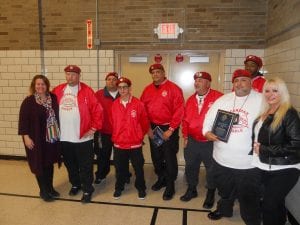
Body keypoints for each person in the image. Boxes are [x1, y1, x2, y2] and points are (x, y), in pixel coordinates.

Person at [203, 69, 262, 225]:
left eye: (243, 80)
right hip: (222, 159)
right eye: (236, 81)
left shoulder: (262, 100)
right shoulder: (223, 100)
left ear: (251, 82)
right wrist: (207, 132)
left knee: (248, 195)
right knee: (224, 190)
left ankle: (251, 220)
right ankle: (224, 209)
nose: (239, 84)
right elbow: (208, 120)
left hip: (248, 163)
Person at [252, 77, 300, 225]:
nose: (270, 94)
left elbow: (296, 144)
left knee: (269, 205)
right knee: (275, 204)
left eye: (275, 91)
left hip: (284, 168)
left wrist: (264, 150)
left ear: (282, 93)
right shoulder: (265, 111)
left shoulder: (289, 113)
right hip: (265, 165)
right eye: (267, 90)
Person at [52, 65, 103, 203]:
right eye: (68, 74)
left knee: (85, 165)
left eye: (73, 74)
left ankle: (87, 189)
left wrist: (93, 128)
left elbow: (98, 111)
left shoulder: (87, 91)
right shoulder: (58, 90)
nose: (70, 77)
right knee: (70, 164)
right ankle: (75, 184)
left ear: (79, 76)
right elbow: (47, 105)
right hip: (64, 138)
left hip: (83, 138)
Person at [140, 63, 184, 200]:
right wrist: (148, 129)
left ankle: (170, 185)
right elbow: (143, 111)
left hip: (168, 128)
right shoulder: (147, 90)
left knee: (169, 158)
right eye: (153, 73)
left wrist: (171, 130)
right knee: (156, 157)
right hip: (154, 129)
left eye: (158, 72)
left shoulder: (174, 89)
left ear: (164, 73)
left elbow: (179, 110)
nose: (155, 74)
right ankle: (162, 178)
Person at [180, 72, 223, 209]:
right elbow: (185, 120)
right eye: (196, 80)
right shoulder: (191, 99)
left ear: (208, 83)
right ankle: (191, 189)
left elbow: (225, 119)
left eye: (200, 80)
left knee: (211, 169)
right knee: (190, 166)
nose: (197, 83)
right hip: (192, 141)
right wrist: (185, 136)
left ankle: (210, 192)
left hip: (210, 142)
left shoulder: (219, 97)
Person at [18, 75, 61, 202]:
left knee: (49, 162)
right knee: (39, 163)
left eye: (43, 84)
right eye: (38, 84)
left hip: (50, 138)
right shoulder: (28, 101)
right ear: (34, 86)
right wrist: (26, 137)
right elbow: (23, 121)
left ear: (47, 85)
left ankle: (50, 188)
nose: (40, 86)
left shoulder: (53, 98)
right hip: (35, 138)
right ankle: (43, 190)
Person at [110, 77, 149, 200]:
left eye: (125, 87)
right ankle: (119, 187)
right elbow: (112, 122)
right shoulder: (114, 104)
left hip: (135, 144)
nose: (122, 90)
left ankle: (141, 188)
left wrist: (138, 135)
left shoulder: (138, 104)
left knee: (138, 168)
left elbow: (144, 123)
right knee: (120, 168)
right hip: (119, 144)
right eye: (120, 87)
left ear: (129, 88)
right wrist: (117, 134)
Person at [94, 72, 120, 184]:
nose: (111, 81)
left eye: (114, 79)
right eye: (109, 79)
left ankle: (123, 175)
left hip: (120, 132)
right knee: (102, 156)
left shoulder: (122, 93)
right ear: (106, 81)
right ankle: (101, 175)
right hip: (103, 132)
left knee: (121, 156)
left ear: (117, 81)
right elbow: (93, 111)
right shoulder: (98, 94)